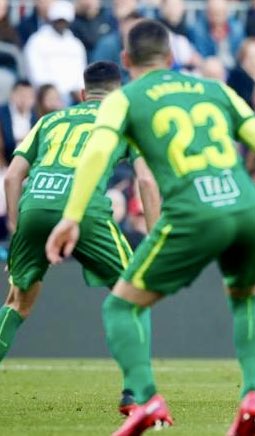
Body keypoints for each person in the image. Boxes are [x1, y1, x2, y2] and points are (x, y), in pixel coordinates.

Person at [45, 19, 255, 436]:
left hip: (194, 212)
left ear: (126, 61)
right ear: (172, 58)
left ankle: (147, 397)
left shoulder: (124, 99)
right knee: (246, 301)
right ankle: (252, 395)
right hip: (246, 207)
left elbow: (98, 153)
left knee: (120, 306)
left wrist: (71, 216)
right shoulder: (215, 89)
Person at [0, 61, 160, 414]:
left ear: (83, 94)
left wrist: (18, 225)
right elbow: (147, 181)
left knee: (17, 302)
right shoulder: (124, 121)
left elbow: (12, 177)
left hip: (33, 207)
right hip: (82, 209)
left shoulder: (50, 119)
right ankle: (136, 391)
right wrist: (155, 232)